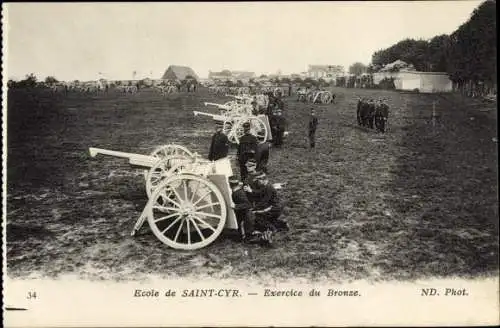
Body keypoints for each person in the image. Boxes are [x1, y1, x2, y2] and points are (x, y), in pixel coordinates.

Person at [229, 176, 262, 243]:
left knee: (248, 231)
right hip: (243, 213)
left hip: (247, 214)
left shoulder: (238, 193)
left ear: (230, 184)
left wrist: (236, 206)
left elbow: (247, 204)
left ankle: (249, 237)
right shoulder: (237, 191)